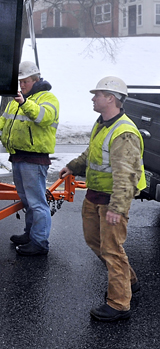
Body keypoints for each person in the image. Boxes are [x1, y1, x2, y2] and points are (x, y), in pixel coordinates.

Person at [59, 76, 146, 322]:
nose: (93, 98)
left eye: (97, 94)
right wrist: (73, 166)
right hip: (95, 195)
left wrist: (117, 208)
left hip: (111, 201)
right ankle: (128, 282)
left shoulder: (124, 133)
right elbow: (92, 152)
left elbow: (126, 175)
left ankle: (119, 304)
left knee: (111, 250)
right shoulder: (102, 123)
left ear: (111, 98)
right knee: (95, 242)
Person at [0, 61, 60, 256]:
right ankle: (30, 234)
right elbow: (0, 127)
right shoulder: (18, 101)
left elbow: (44, 117)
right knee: (27, 200)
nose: (22, 85)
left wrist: (24, 103)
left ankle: (40, 242)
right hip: (18, 157)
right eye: (20, 81)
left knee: (37, 202)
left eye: (25, 81)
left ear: (36, 79)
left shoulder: (47, 98)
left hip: (34, 158)